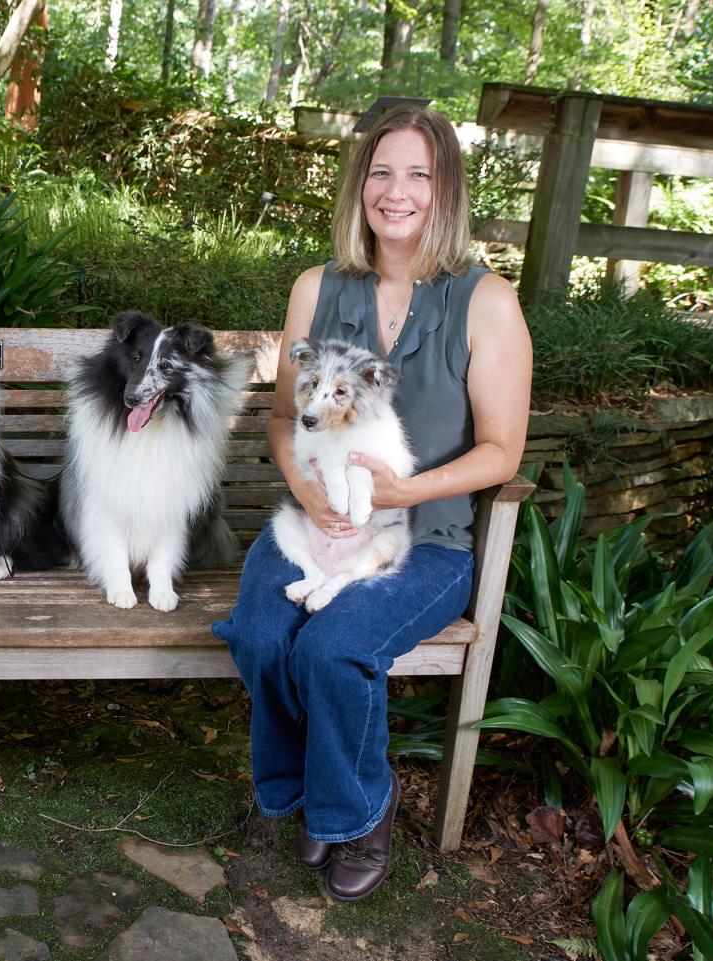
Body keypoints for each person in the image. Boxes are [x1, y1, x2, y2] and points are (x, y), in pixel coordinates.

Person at [211, 105, 532, 902]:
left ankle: (358, 809)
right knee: (258, 630)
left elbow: (503, 452)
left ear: (445, 189)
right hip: (318, 518)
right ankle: (295, 789)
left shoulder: (486, 302)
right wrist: (302, 488)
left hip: (425, 538)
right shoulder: (317, 288)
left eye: (419, 174)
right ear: (360, 186)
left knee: (332, 647)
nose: (398, 191)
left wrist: (402, 492)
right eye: (381, 172)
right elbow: (285, 419)